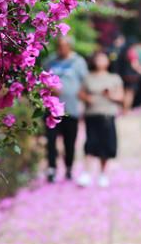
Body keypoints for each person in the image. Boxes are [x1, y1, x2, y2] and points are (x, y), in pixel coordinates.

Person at [44, 37, 88, 182]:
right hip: (51, 109)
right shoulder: (50, 61)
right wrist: (49, 89)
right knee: (51, 140)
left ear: (69, 46)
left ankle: (69, 167)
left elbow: (84, 83)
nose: (61, 49)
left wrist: (82, 99)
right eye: (59, 46)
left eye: (64, 46)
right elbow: (42, 80)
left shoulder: (78, 62)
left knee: (70, 141)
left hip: (71, 109)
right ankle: (51, 168)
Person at [77, 51, 124, 187]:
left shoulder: (114, 78)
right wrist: (88, 98)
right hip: (92, 114)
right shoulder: (88, 77)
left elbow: (121, 97)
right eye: (98, 58)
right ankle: (86, 172)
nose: (100, 61)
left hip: (108, 115)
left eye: (103, 59)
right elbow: (80, 93)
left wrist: (110, 95)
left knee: (106, 145)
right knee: (90, 143)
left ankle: (103, 174)